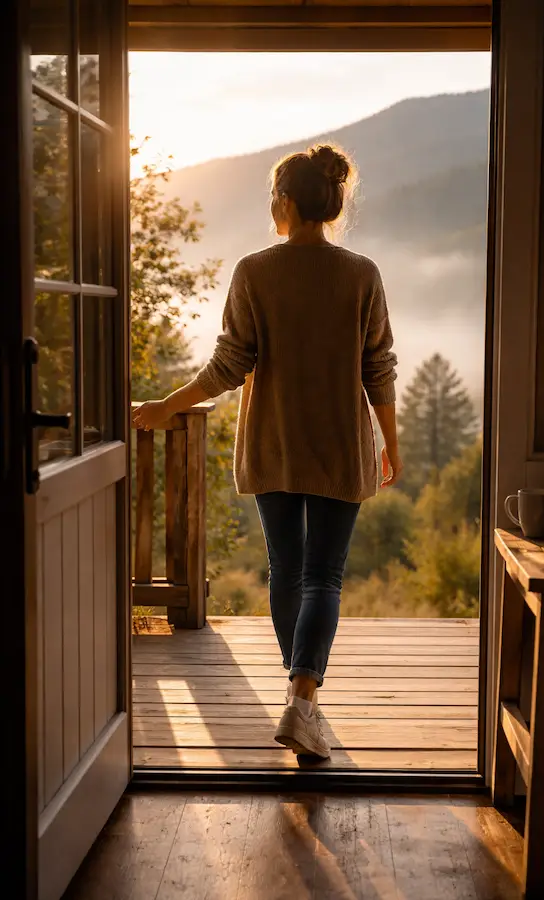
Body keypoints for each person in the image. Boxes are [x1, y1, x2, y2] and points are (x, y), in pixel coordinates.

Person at [133, 143, 402, 760]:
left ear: (284, 202)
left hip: (274, 443)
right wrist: (391, 443)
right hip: (340, 443)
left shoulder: (255, 270)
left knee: (287, 570)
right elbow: (378, 367)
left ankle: (299, 696)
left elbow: (229, 364)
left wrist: (166, 407)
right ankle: (302, 699)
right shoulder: (362, 274)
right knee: (324, 576)